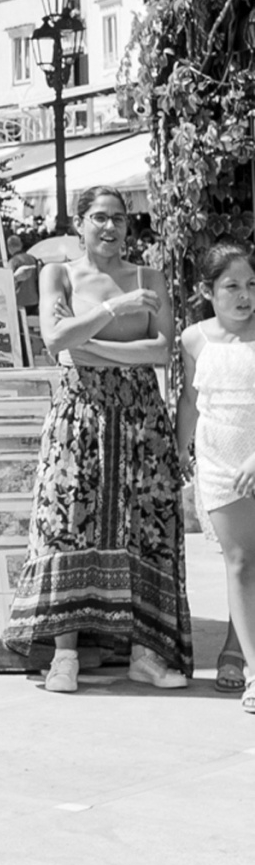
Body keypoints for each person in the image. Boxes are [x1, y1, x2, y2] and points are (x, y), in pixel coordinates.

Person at [5, 186, 192, 693]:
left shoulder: (149, 276)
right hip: (78, 417)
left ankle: (146, 653)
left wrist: (89, 343)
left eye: (120, 219)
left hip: (141, 418)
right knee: (67, 523)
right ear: (79, 222)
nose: (111, 228)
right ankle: (64, 655)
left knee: (147, 525)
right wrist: (118, 309)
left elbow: (159, 351)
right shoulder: (58, 274)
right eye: (100, 218)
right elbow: (55, 340)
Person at [177, 242, 255, 712]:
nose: (244, 296)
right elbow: (190, 401)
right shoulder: (193, 339)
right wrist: (180, 451)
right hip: (218, 463)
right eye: (232, 286)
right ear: (207, 290)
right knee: (240, 563)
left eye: (251, 285)